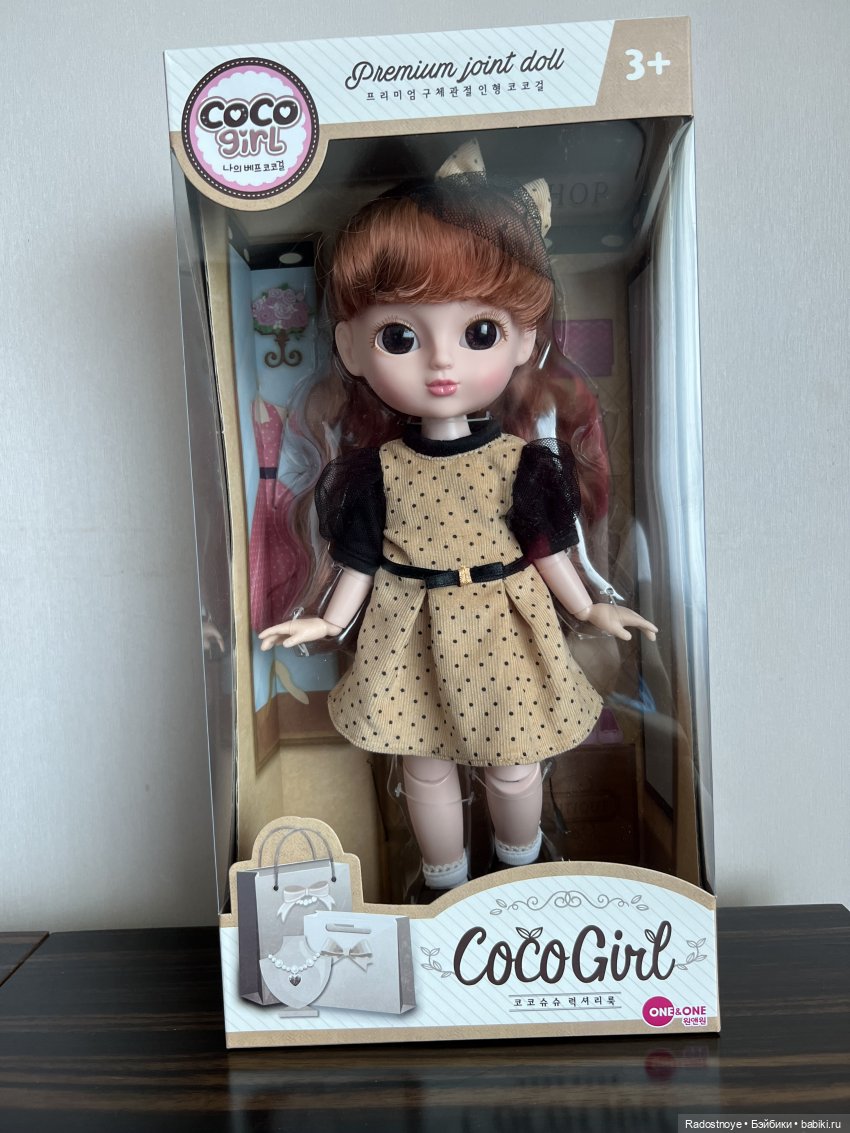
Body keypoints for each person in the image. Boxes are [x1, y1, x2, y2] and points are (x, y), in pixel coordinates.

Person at [260, 141, 656, 890]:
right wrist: (325, 621)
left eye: (479, 333)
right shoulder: (375, 471)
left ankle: (519, 866)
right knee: (424, 764)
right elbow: (357, 560)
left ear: (525, 338)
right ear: (351, 347)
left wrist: (589, 607)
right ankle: (442, 881)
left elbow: (547, 548)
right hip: (409, 623)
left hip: (504, 619)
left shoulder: (522, 463)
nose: (441, 362)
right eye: (400, 337)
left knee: (514, 764)